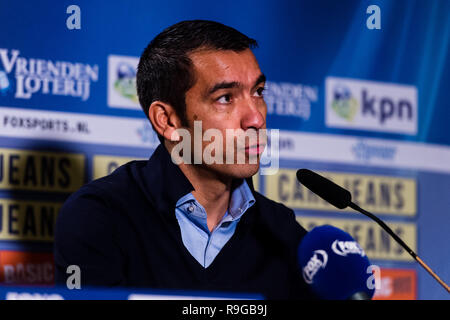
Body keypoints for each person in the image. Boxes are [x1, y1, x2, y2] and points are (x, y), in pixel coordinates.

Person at [54, 20, 315, 299]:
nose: (256, 118)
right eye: (226, 98)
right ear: (167, 120)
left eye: (258, 92)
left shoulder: (281, 230)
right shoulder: (99, 217)